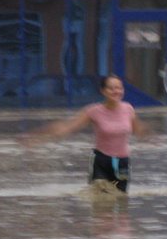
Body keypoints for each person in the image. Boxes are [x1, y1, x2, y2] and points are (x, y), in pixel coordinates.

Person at [21, 74, 150, 193]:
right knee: (100, 204)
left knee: (121, 199)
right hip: (101, 162)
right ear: (103, 91)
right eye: (111, 88)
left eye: (119, 88)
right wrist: (37, 137)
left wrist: (149, 136)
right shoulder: (93, 111)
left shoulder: (128, 109)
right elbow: (66, 127)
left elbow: (138, 130)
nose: (116, 91)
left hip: (122, 162)